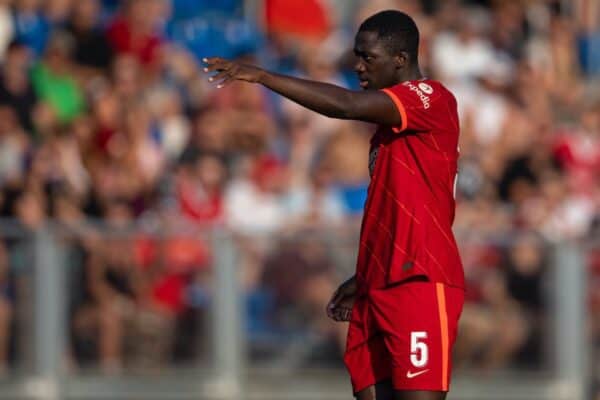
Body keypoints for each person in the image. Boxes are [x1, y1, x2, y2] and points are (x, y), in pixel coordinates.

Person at [204, 10, 465, 400]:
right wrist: (365, 274)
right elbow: (397, 207)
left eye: (367, 58)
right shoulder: (391, 132)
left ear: (401, 59)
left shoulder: (431, 99)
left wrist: (263, 76)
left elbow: (344, 105)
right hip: (380, 282)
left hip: (419, 282)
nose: (358, 66)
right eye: (356, 55)